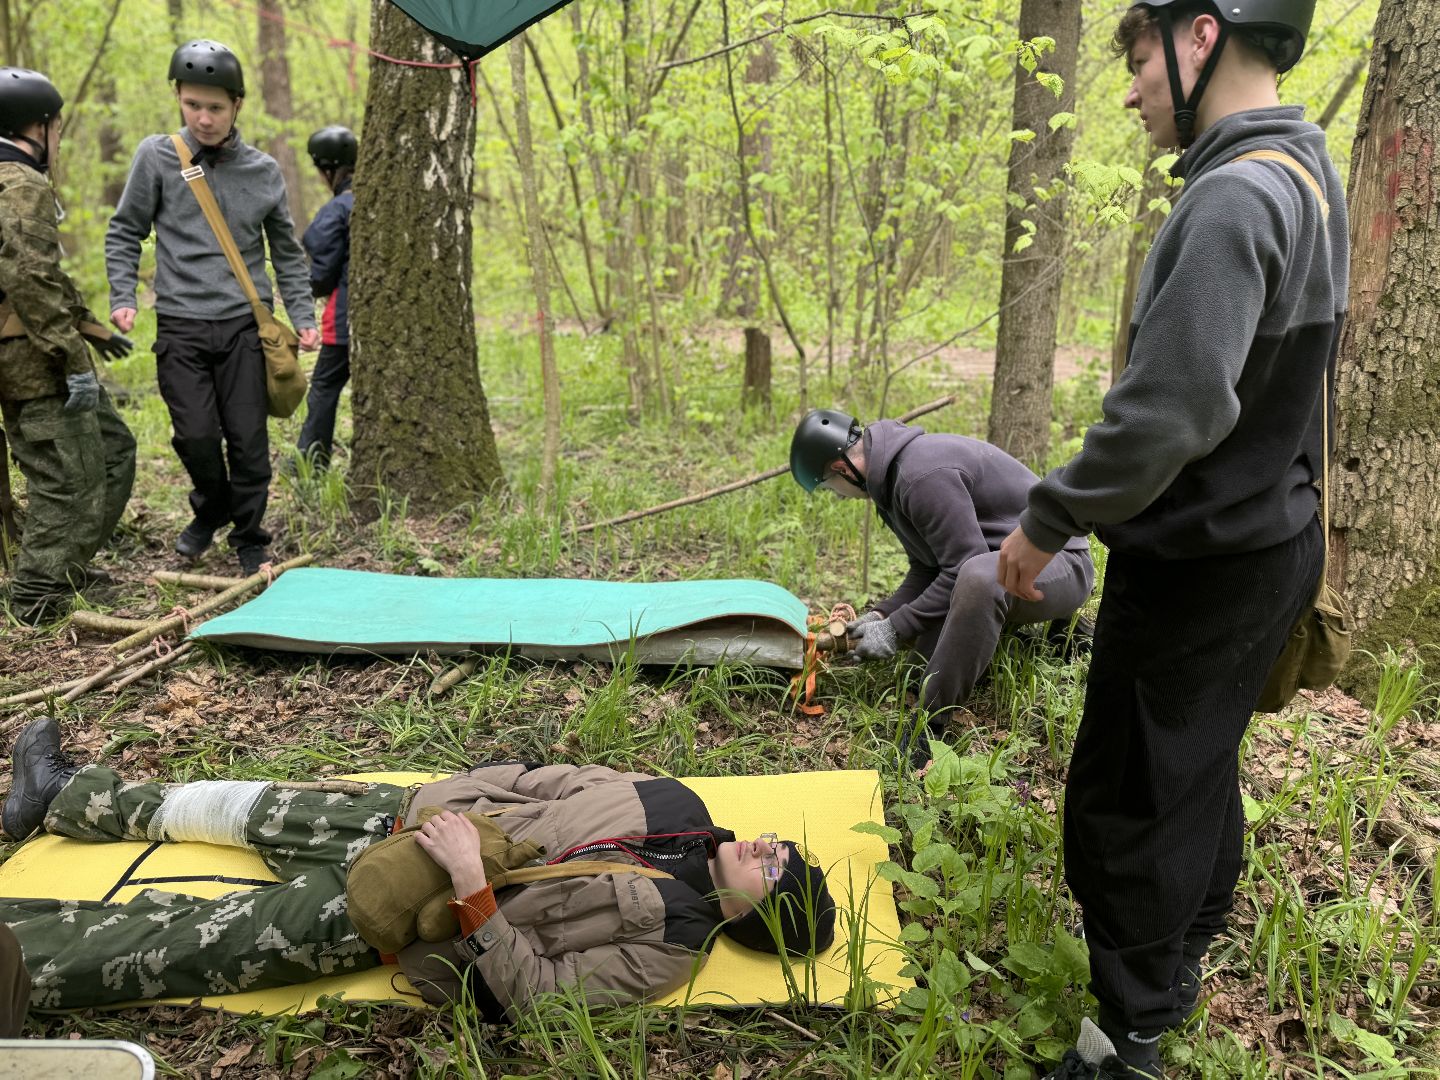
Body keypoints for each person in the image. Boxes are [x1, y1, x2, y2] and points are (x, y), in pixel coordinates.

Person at [995, 2, 1335, 1076]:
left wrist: (1048, 519)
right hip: (1266, 540)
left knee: (1126, 798)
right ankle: (1181, 953)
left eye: (1139, 55)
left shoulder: (1236, 198)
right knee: (1193, 768)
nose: (1129, 84)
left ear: (1201, 36)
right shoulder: (1306, 176)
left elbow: (1171, 410)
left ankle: (1127, 1039)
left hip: (1201, 564)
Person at [0, 716, 836, 1017]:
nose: (775, 847)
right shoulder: (680, 806)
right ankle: (67, 797)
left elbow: (540, 998)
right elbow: (544, 778)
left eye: (781, 872)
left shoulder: (666, 947)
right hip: (409, 819)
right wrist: (448, 799)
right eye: (784, 847)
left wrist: (472, 891)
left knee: (191, 940)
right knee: (239, 807)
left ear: (752, 916)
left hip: (406, 908)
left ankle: (19, 957)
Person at [105, 40, 318, 576]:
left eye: (216, 108)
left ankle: (250, 537)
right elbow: (125, 230)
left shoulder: (264, 171)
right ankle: (213, 505)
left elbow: (287, 254)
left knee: (248, 443)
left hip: (246, 328)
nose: (203, 118)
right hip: (180, 324)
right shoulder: (156, 157)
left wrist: (305, 316)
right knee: (195, 435)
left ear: (238, 105)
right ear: (178, 96)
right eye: (193, 105)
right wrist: (122, 296)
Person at [790, 409, 1094, 760]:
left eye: (830, 487)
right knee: (920, 663)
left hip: (1060, 563)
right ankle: (1026, 634)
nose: (838, 496)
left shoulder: (920, 476)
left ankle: (930, 727)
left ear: (842, 468)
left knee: (978, 581)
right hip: (1004, 565)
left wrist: (895, 628)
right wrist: (882, 615)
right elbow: (927, 568)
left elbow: (964, 568)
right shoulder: (891, 479)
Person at [0, 67, 136, 625]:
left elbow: (43, 275)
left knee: (114, 449)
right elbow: (27, 273)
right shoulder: (19, 182)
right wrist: (70, 356)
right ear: (40, 124)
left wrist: (90, 329)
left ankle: (67, 566)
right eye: (58, 126)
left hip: (42, 348)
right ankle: (35, 597)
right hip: (32, 362)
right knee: (67, 479)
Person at [295, 125, 356, 469]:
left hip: (343, 319)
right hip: (372, 322)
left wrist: (304, 287)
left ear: (329, 170)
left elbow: (321, 273)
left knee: (323, 387)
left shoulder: (336, 210)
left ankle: (309, 461)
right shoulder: (375, 200)